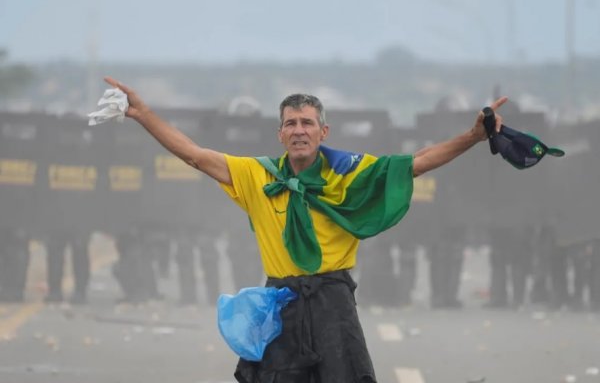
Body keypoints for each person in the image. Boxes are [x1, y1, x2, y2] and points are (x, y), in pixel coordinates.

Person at [102, 76, 506, 383]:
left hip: (333, 302)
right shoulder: (257, 174)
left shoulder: (349, 171)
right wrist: (143, 115)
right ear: (280, 133)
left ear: (322, 132)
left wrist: (473, 136)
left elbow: (417, 162)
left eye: (307, 123)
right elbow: (193, 155)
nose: (299, 130)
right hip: (281, 302)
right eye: (290, 123)